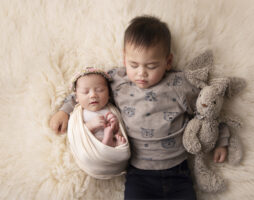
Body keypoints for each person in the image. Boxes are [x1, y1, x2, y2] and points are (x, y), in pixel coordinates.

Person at [50, 15, 229, 199]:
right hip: (138, 174)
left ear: (168, 62)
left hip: (178, 172)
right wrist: (65, 110)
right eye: (133, 65)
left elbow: (209, 110)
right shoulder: (117, 82)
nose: (141, 73)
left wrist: (221, 141)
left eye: (151, 66)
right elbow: (89, 91)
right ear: (124, 58)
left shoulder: (181, 84)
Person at [66, 67, 130, 179]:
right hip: (91, 148)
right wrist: (90, 126)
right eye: (86, 92)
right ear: (76, 97)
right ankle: (106, 142)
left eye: (100, 90)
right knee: (87, 156)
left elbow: (120, 129)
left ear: (109, 94)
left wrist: (114, 125)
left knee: (123, 149)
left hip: (113, 147)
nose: (93, 95)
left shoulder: (111, 109)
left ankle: (110, 142)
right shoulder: (79, 114)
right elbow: (77, 133)